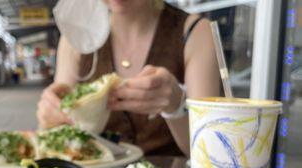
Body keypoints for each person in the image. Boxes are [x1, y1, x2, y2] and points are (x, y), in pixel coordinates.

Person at [36, 0, 220, 156]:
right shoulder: (77, 39)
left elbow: (209, 152)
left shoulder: (194, 32)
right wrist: (49, 118)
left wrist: (176, 105)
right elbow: (61, 138)